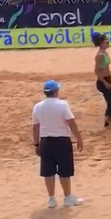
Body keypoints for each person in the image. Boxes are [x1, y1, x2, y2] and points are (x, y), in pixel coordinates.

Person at [32, 80, 84, 208]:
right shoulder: (62, 105)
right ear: (56, 91)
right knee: (64, 171)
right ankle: (67, 197)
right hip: (62, 141)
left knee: (48, 172)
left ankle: (51, 198)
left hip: (45, 141)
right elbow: (71, 123)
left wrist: (36, 144)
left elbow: (35, 127)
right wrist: (79, 138)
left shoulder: (38, 106)